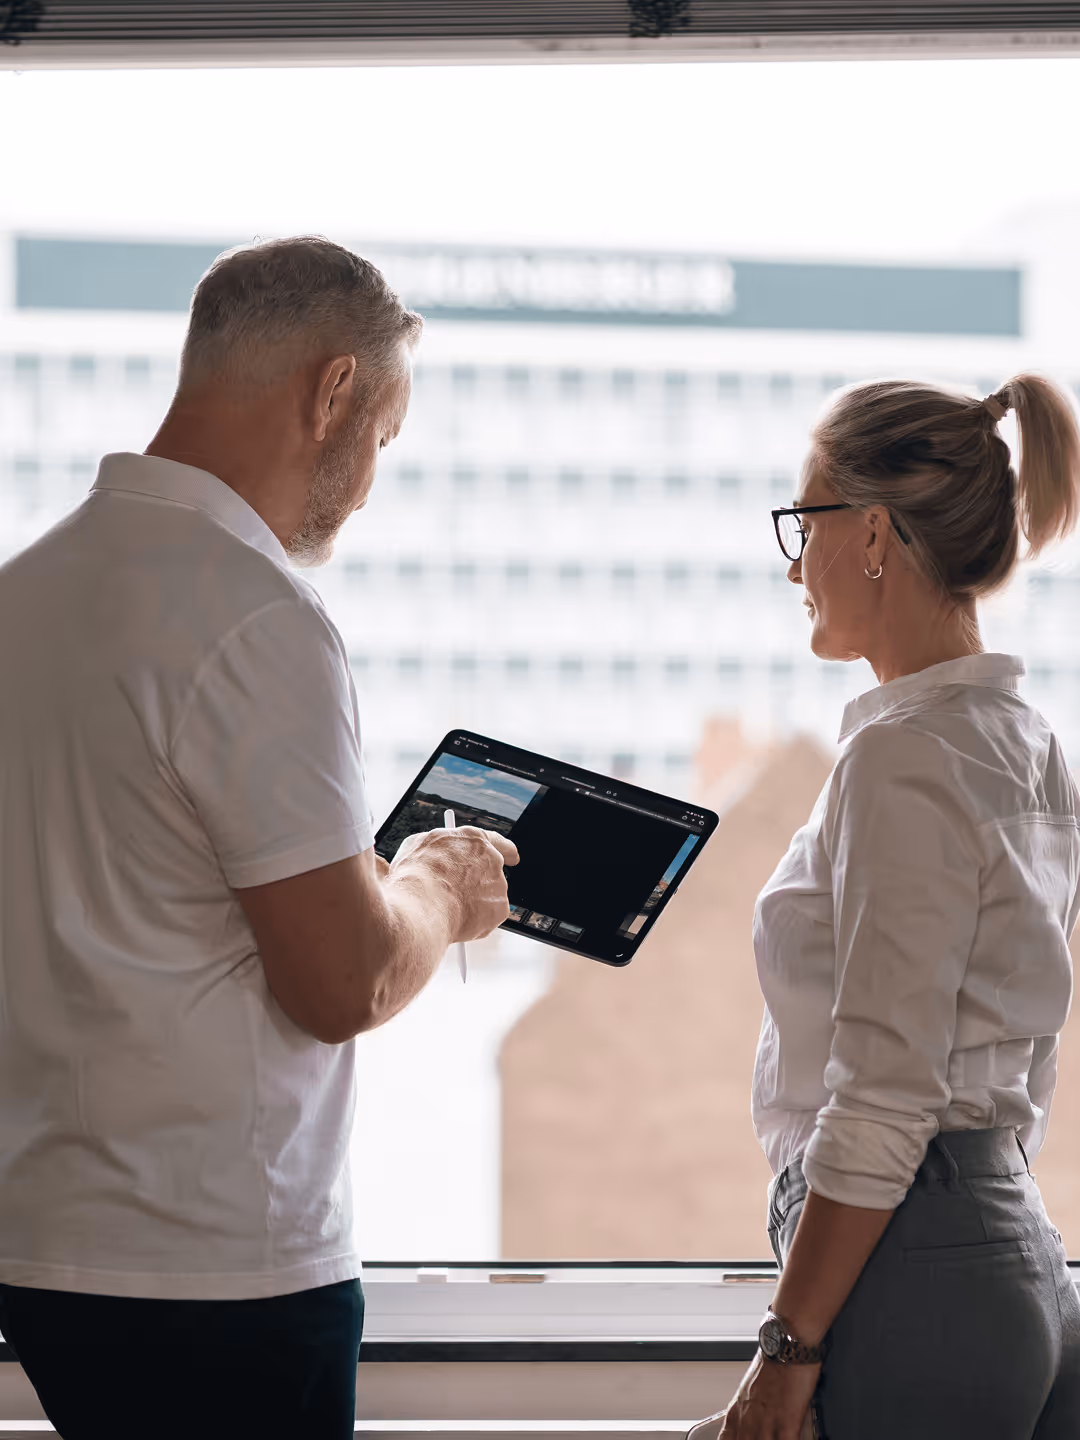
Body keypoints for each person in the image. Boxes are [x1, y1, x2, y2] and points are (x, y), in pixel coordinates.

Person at [0, 237, 517, 1439]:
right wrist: (435, 883)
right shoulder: (260, 615)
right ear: (332, 390)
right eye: (384, 437)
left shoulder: (27, 591)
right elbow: (345, 979)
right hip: (218, 1269)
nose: (373, 478)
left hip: (47, 1246)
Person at [690, 374, 1080, 1439]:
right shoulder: (1028, 745)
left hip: (921, 1273)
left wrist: (786, 1353)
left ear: (870, 535)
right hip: (1012, 1254)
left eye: (802, 524)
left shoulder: (901, 756)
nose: (792, 564)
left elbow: (882, 1096)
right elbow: (1022, 1067)